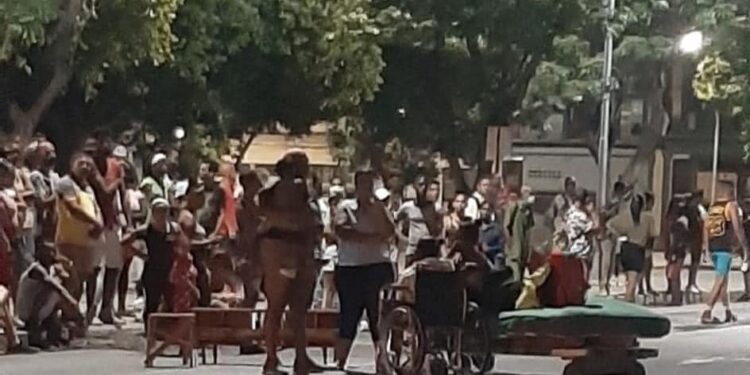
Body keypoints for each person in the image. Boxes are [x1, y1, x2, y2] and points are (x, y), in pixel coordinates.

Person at [257, 151, 322, 375]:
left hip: (292, 249)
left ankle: (297, 358)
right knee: (281, 307)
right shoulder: (288, 187)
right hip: (285, 249)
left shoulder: (281, 189)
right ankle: (273, 360)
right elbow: (293, 217)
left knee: (295, 308)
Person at [333, 171, 395, 370]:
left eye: (370, 184)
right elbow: (342, 230)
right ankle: (340, 361)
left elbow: (390, 231)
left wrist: (377, 211)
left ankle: (382, 360)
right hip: (351, 268)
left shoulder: (379, 207)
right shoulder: (346, 206)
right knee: (349, 315)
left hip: (377, 265)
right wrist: (371, 237)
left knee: (379, 315)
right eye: (363, 184)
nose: (366, 188)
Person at [55, 152, 103, 326]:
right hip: (67, 240)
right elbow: (72, 207)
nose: (85, 167)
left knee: (81, 281)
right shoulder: (65, 183)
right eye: (81, 163)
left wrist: (99, 225)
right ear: (72, 164)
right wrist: (94, 222)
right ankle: (61, 319)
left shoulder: (88, 187)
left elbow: (95, 208)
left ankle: (71, 319)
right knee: (69, 280)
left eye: (88, 165)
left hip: (85, 242)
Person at [86, 135, 126, 325]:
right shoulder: (89, 168)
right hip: (93, 223)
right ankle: (89, 309)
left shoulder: (115, 166)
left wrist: (128, 221)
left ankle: (106, 308)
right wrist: (119, 181)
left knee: (114, 266)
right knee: (93, 269)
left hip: (111, 222)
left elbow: (122, 196)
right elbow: (106, 191)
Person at [121, 198, 176, 327]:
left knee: (170, 301)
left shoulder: (172, 228)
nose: (161, 214)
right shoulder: (146, 230)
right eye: (159, 211)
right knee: (152, 302)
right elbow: (124, 242)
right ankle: (149, 330)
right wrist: (139, 254)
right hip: (152, 271)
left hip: (170, 270)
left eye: (164, 211)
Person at [701, 181, 748, 324]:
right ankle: (707, 311)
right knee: (720, 280)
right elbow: (737, 227)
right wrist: (744, 245)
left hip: (714, 246)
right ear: (730, 191)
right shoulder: (731, 206)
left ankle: (728, 312)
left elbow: (705, 228)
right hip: (724, 248)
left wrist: (706, 247)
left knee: (724, 282)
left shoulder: (713, 207)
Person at [607, 195, 656, 303]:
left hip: (627, 248)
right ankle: (628, 302)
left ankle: (630, 299)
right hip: (637, 249)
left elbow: (610, 225)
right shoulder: (648, 218)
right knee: (633, 280)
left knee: (630, 280)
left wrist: (618, 235)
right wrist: (649, 251)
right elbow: (652, 236)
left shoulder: (625, 217)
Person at [397, 179, 442, 266]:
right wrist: (401, 237)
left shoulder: (435, 207)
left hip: (430, 249)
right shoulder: (407, 207)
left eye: (425, 185)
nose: (423, 188)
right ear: (415, 186)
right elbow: (394, 221)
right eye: (420, 185)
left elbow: (440, 227)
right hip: (413, 250)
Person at [236, 170, 264, 308]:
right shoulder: (240, 206)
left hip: (258, 253)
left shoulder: (257, 205)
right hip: (246, 253)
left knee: (256, 293)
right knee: (249, 293)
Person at [664, 197, 691, 305]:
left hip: (677, 251)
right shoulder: (681, 222)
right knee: (673, 274)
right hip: (678, 251)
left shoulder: (677, 223)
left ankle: (676, 298)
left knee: (673, 274)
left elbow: (675, 239)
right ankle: (677, 296)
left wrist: (672, 252)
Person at [686, 191, 707, 296]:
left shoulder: (689, 208)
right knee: (695, 262)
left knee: (694, 262)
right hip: (695, 238)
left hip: (692, 238)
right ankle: (691, 283)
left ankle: (691, 283)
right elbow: (704, 223)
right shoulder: (697, 209)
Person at [639, 192, 657, 297]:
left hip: (638, 243)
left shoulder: (638, 215)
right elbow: (652, 233)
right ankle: (647, 286)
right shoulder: (649, 216)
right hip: (647, 244)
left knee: (640, 267)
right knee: (647, 266)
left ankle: (641, 287)